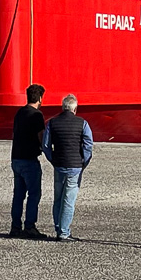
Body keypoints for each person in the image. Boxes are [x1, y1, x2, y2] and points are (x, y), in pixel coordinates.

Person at [41, 94, 92, 242]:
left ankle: (59, 228)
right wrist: (84, 163)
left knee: (58, 198)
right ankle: (64, 232)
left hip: (59, 165)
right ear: (75, 109)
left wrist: (53, 160)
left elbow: (45, 146)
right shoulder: (82, 123)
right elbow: (88, 146)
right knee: (68, 200)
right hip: (75, 166)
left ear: (62, 108)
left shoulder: (52, 123)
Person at [9, 83, 48, 240]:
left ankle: (15, 227)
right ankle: (30, 226)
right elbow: (41, 136)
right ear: (39, 98)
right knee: (34, 194)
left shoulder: (19, 112)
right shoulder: (36, 115)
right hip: (29, 160)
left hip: (16, 158)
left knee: (18, 195)